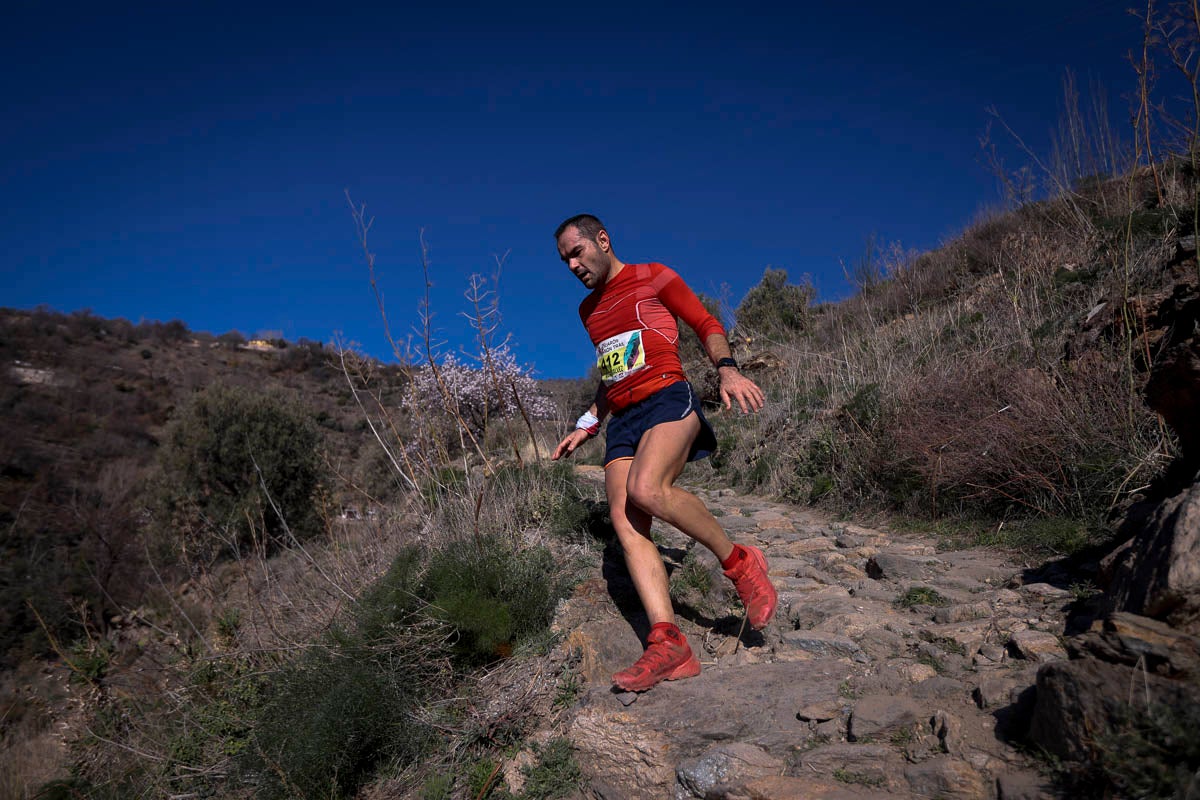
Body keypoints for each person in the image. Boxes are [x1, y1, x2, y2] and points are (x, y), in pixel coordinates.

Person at [551, 213, 777, 693]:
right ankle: (669, 641)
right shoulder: (587, 312)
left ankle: (740, 563)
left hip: (668, 397)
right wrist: (587, 425)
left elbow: (703, 321)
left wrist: (728, 370)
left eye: (577, 252)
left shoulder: (654, 275)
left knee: (648, 490)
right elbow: (614, 375)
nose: (572, 265)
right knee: (625, 519)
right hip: (624, 420)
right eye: (564, 259)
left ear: (602, 240)